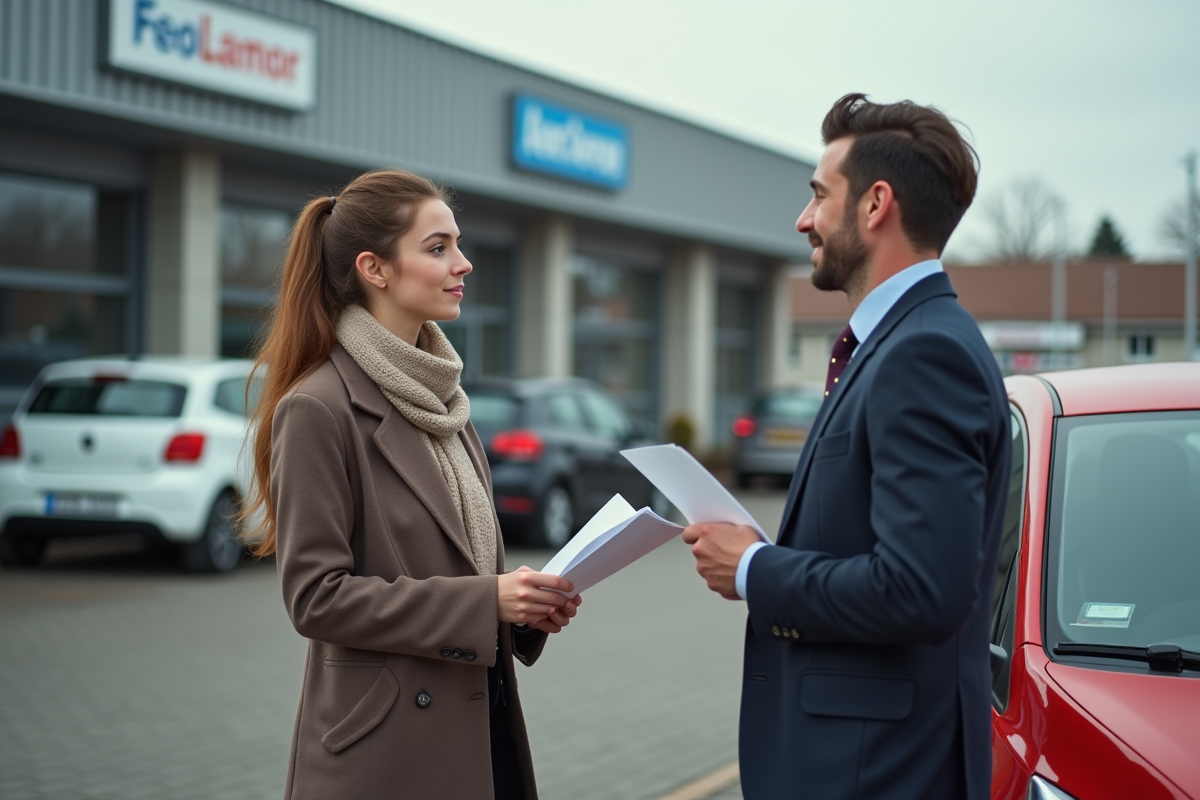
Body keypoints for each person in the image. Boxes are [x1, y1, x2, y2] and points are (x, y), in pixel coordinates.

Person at [682, 94, 1010, 800]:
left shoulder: (922, 353)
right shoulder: (901, 344)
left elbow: (922, 590)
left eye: (818, 196)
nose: (803, 220)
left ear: (875, 205)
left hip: (877, 773)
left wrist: (755, 569)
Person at [241, 169, 582, 800]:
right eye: (438, 247)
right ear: (375, 269)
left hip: (481, 729)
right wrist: (487, 602)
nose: (464, 263)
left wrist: (523, 608)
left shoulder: (443, 399)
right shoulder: (318, 408)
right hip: (388, 755)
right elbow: (315, 597)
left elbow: (460, 565)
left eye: (457, 243)